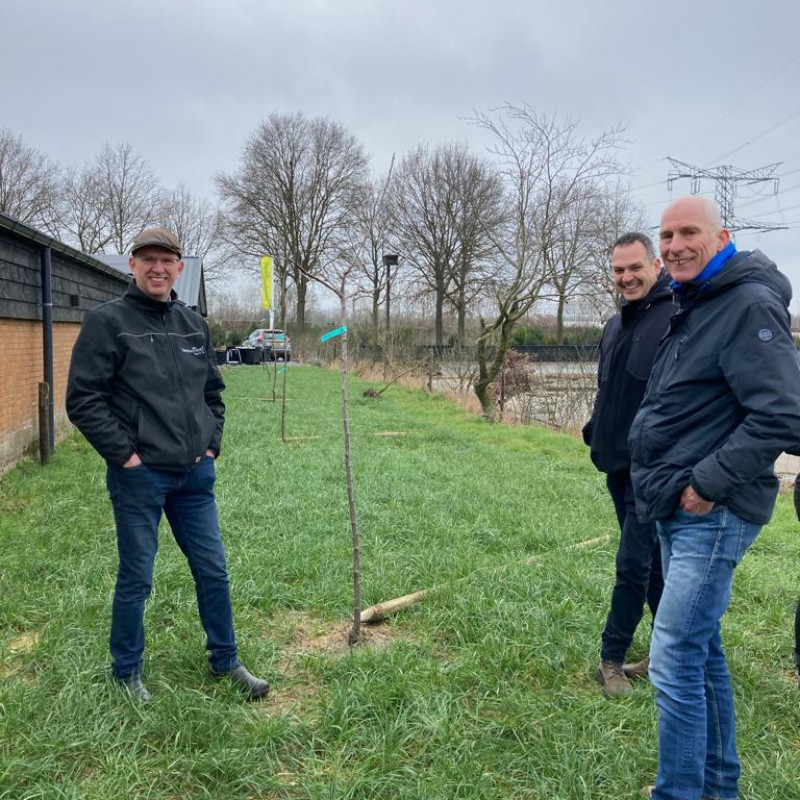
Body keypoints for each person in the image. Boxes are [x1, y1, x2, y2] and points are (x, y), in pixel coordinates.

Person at [629, 196, 800, 800]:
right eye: (667, 234)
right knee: (700, 652)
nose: (674, 244)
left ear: (721, 235)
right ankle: (717, 785)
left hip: (713, 510)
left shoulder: (746, 303)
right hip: (679, 505)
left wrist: (706, 484)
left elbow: (784, 412)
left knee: (673, 657)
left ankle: (678, 793)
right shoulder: (697, 300)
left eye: (688, 232)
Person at [66, 227, 270, 702]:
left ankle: (227, 661)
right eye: (148, 259)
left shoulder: (192, 324)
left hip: (194, 475)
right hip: (141, 476)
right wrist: (127, 456)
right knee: (137, 576)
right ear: (132, 265)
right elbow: (83, 400)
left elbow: (213, 394)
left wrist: (211, 446)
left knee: (213, 571)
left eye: (167, 260)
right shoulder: (107, 322)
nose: (157, 268)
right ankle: (127, 673)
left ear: (179, 268)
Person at [583, 232, 673, 699]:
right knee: (652, 563)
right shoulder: (614, 325)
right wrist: (593, 426)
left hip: (652, 467)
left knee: (633, 564)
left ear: (655, 265)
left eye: (635, 267)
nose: (627, 277)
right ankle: (664, 652)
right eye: (618, 270)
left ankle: (611, 658)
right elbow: (608, 387)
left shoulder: (676, 319)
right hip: (615, 464)